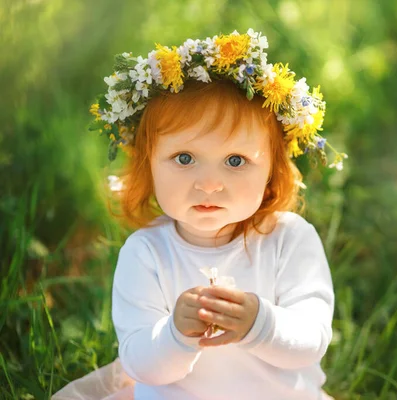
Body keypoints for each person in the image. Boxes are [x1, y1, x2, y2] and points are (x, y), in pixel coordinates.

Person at [52, 28, 347, 400]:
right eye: (185, 158)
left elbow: (312, 338)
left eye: (235, 161)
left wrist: (262, 323)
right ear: (148, 165)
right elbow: (140, 362)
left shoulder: (289, 239)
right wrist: (174, 335)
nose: (209, 184)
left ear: (272, 170)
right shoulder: (146, 253)